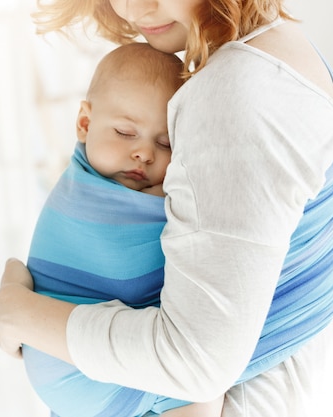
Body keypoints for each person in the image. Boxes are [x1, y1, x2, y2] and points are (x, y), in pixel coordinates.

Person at [0, 1, 333, 416]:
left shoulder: (236, 90)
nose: (134, 6)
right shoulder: (272, 52)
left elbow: (194, 363)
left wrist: (19, 313)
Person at [23, 42, 222, 417]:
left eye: (165, 143)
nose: (145, 153)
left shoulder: (102, 178)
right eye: (125, 132)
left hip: (59, 367)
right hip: (75, 366)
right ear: (84, 123)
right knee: (202, 385)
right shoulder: (83, 196)